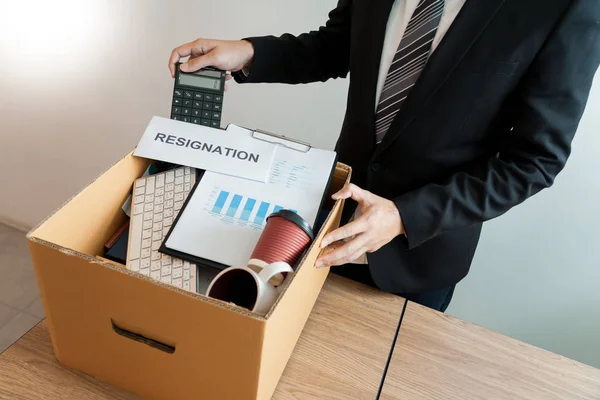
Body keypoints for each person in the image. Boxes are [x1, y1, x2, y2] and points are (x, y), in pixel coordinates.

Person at [168, 0, 600, 312]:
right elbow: (336, 46)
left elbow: (533, 161)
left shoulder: (567, 8)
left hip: (415, 259)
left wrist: (403, 216)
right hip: (328, 224)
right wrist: (250, 53)